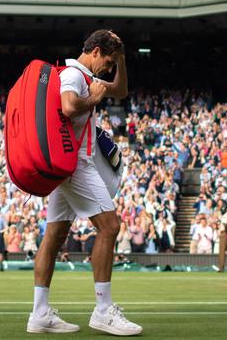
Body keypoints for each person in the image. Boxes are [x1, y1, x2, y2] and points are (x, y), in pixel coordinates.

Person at [26, 30, 141, 335]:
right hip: (76, 164)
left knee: (54, 235)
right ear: (95, 52)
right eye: (107, 59)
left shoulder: (85, 74)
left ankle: (40, 313)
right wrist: (93, 98)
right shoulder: (75, 75)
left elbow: (122, 91)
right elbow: (68, 106)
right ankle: (103, 310)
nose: (108, 67)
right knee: (110, 227)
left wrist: (121, 59)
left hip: (67, 165)